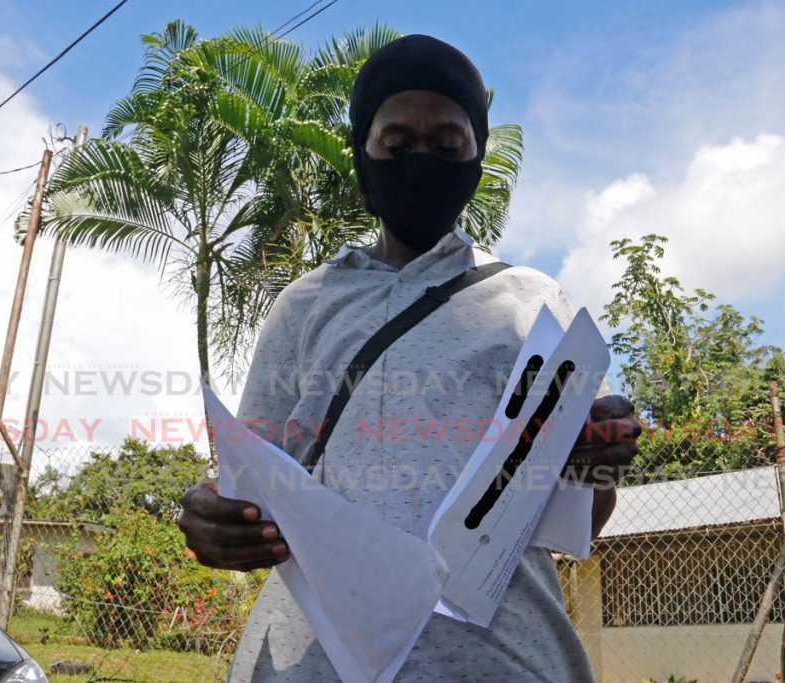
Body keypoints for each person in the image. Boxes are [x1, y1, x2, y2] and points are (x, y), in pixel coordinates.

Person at [177, 34, 641, 682]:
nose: (421, 160)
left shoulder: (533, 300)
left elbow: (584, 515)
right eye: (396, 145)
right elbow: (254, 491)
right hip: (306, 665)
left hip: (504, 661)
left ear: (475, 160)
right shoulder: (302, 306)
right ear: (365, 157)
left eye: (448, 145)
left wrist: (596, 463)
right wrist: (215, 520)